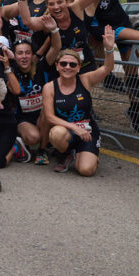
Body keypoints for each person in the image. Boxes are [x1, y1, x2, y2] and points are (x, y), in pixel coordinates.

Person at [42, 31, 118, 175]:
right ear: (57, 66)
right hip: (66, 131)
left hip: (88, 131)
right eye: (63, 63)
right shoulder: (50, 87)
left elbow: (107, 68)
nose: (68, 67)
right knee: (56, 133)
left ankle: (84, 155)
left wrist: (109, 48)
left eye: (72, 64)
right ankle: (65, 154)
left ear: (78, 67)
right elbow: (49, 117)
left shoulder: (85, 80)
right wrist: (74, 128)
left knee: (85, 171)